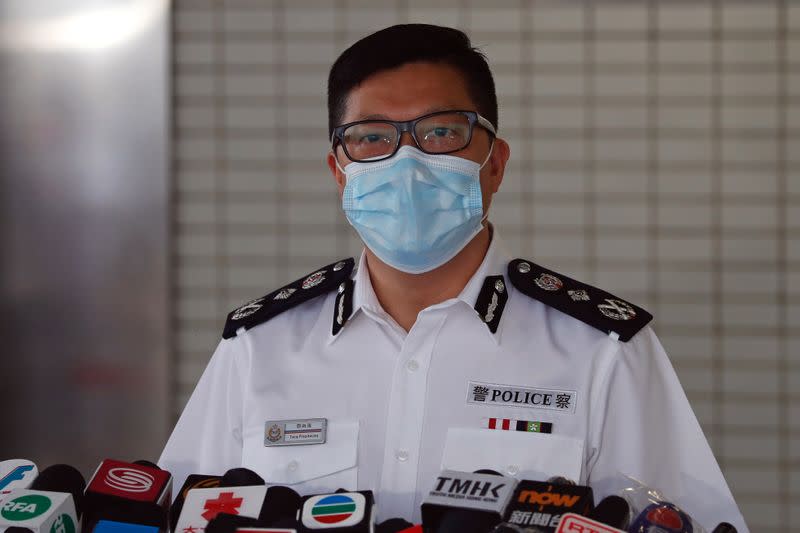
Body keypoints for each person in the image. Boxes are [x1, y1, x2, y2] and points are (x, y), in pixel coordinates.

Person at [159, 24, 748, 531]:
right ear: (341, 174)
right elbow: (179, 511)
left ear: (494, 163)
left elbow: (678, 520)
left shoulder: (601, 351)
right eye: (371, 138)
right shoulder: (258, 348)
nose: (407, 163)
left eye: (441, 133)